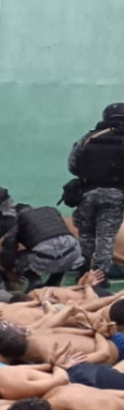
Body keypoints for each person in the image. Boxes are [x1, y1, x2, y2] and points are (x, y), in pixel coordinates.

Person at [68, 103, 124, 280]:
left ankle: (82, 271)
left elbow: (73, 165)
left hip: (87, 193)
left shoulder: (88, 138)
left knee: (86, 234)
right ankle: (100, 276)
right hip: (115, 195)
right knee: (105, 237)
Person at [0, 203, 83, 292]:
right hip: (74, 252)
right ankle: (54, 281)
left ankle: (34, 280)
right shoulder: (51, 210)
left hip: (47, 255)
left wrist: (9, 269)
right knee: (61, 251)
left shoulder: (17, 219)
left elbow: (9, 246)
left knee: (17, 258)